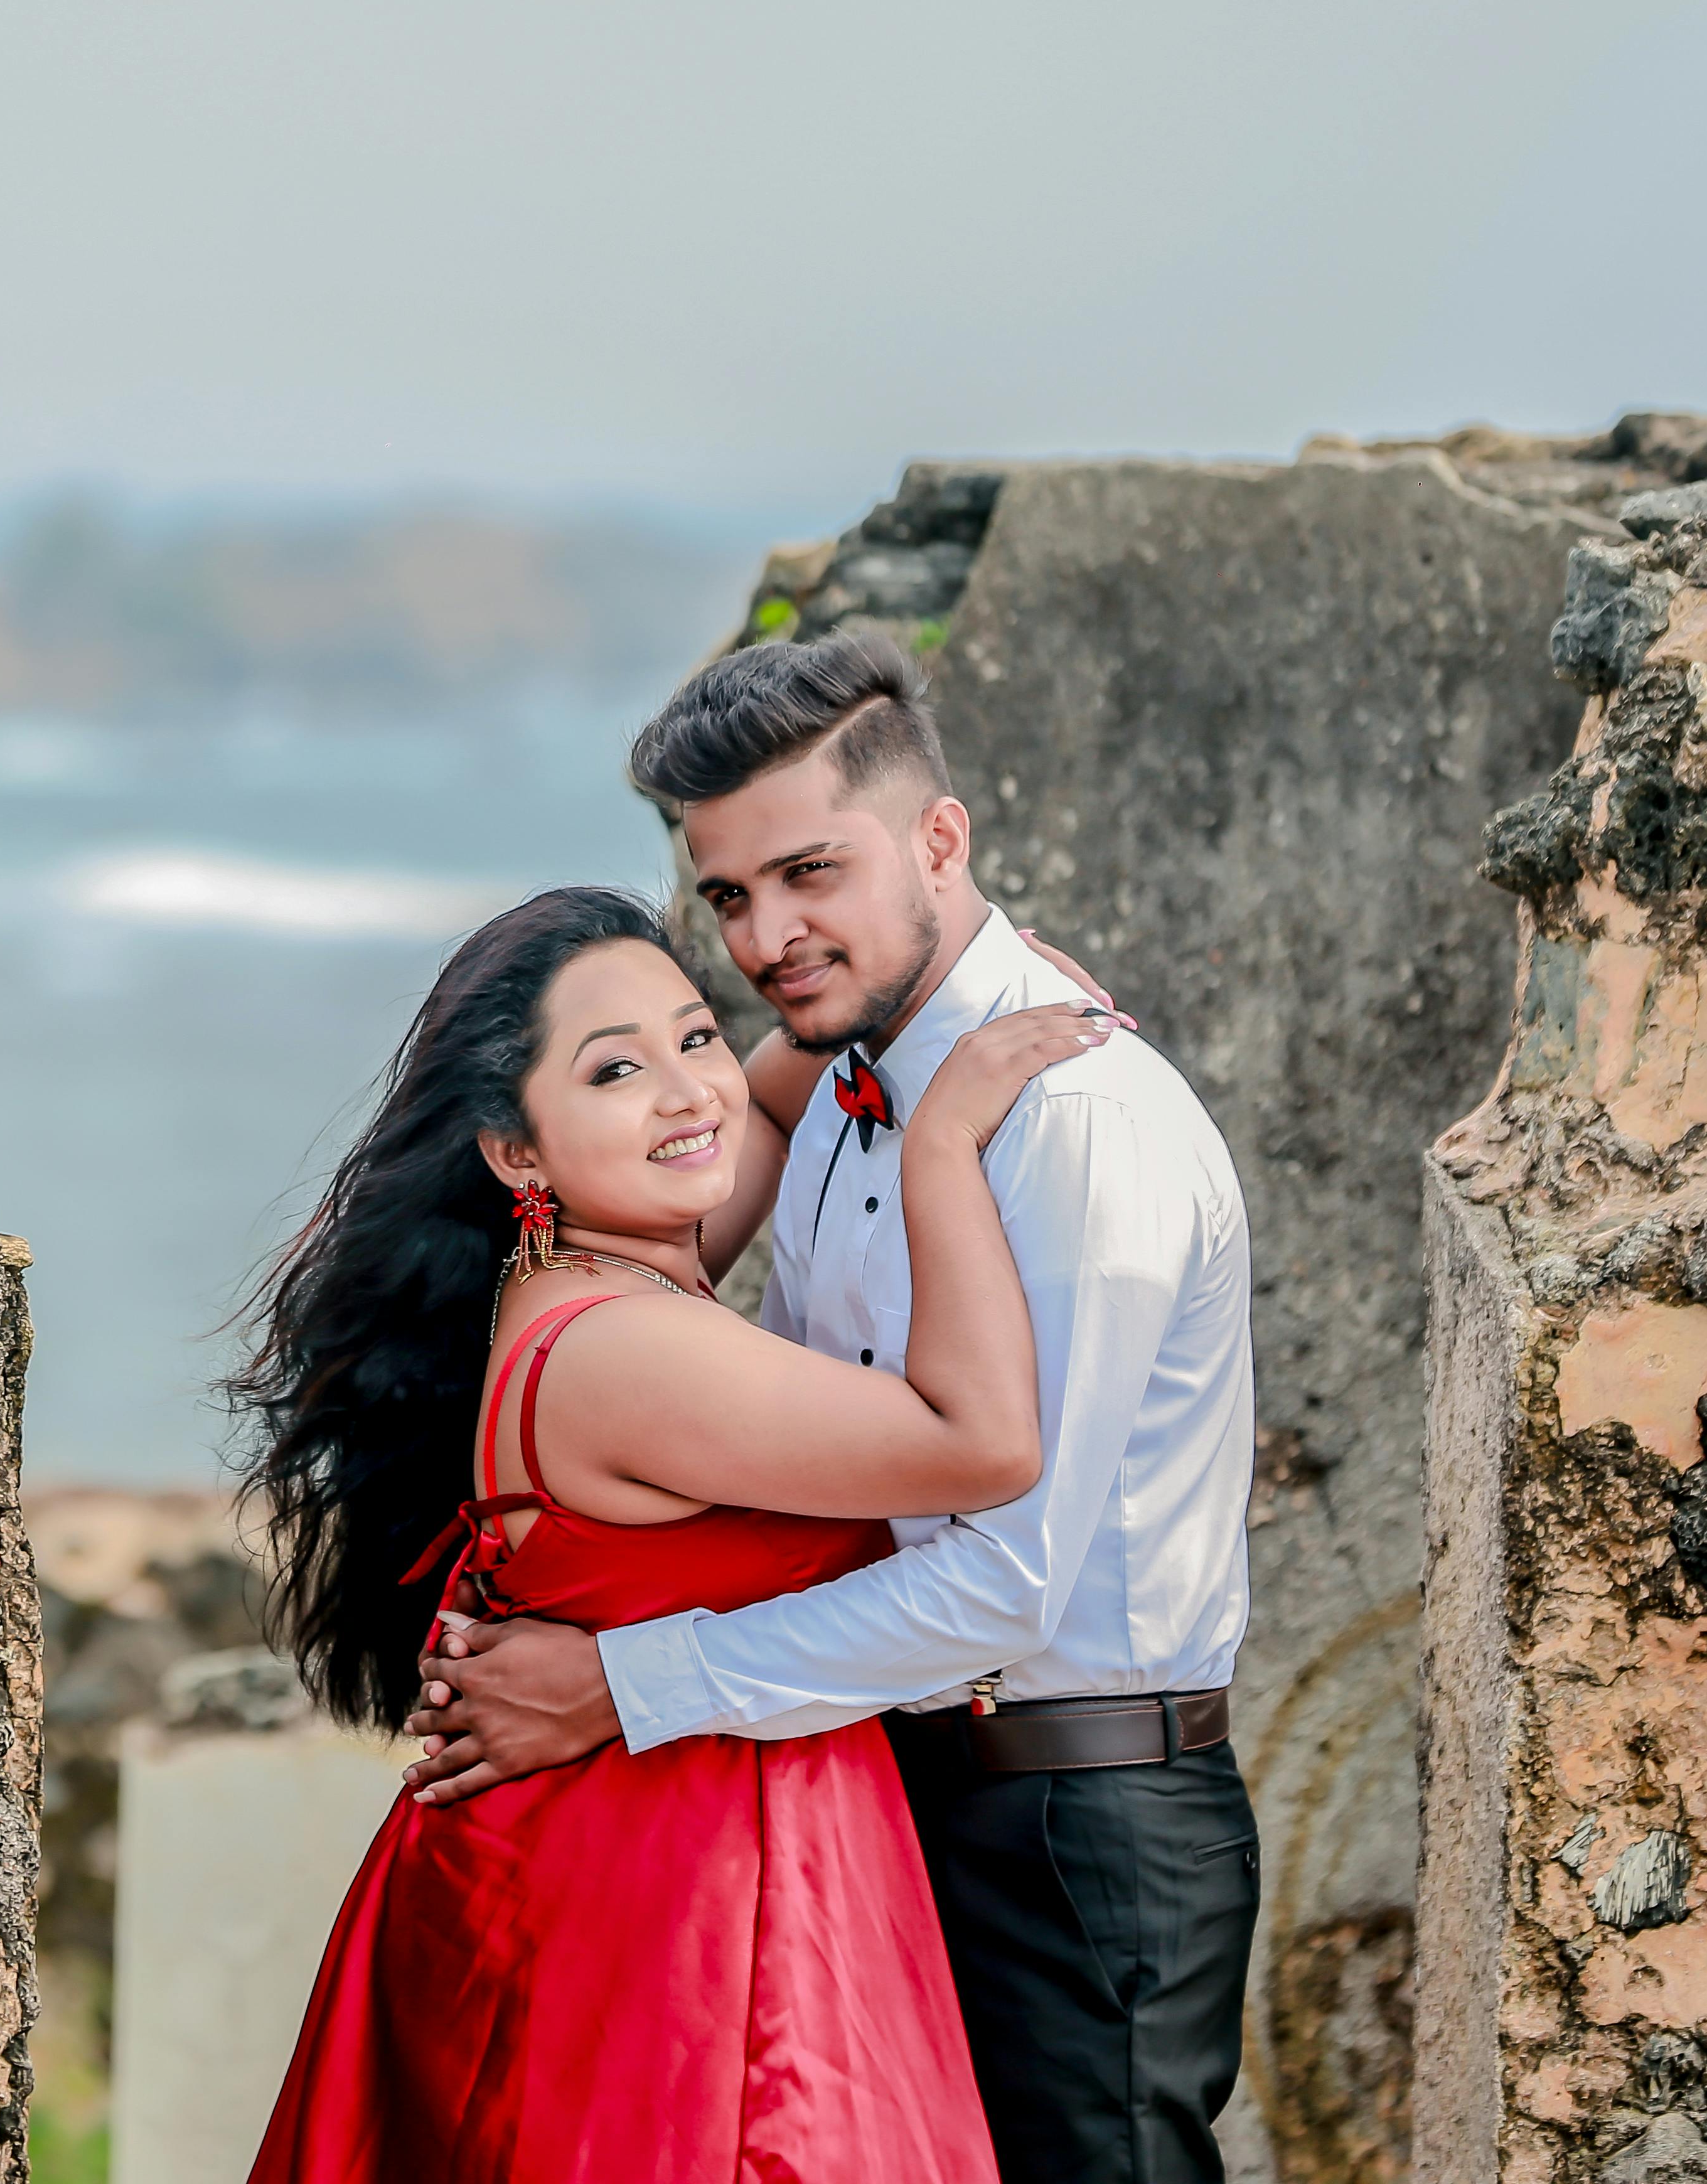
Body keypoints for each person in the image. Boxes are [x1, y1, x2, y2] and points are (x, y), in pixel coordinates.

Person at [405, 632, 1263, 2184]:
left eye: (812, 874)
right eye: (730, 896)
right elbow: (669, 1197)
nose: (769, 937)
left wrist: (620, 1685)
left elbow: (1002, 1582)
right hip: (879, 1788)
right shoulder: (838, 1079)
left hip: (1073, 1819)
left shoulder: (1065, 1126)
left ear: (941, 840)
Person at [228, 884, 1123, 2181]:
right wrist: (945, 1138)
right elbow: (980, 1446)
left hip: (656, 1867)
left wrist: (943, 963)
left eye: (695, 1034)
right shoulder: (624, 1348)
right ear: (517, 1154)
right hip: (679, 1923)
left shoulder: (597, 1273)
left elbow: (757, 1100)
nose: (686, 1091)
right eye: (615, 1070)